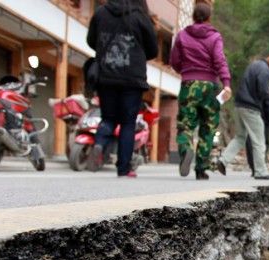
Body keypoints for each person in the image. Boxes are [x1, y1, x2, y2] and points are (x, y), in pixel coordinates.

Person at [86, 0, 157, 178]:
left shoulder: (101, 12)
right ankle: (123, 168)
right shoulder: (140, 16)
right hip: (132, 78)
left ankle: (100, 144)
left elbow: (91, 40)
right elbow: (153, 49)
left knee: (108, 118)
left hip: (106, 75)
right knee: (127, 123)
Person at [170, 2, 232, 180]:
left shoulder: (182, 35)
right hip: (210, 86)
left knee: (186, 124)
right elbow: (220, 60)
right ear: (209, 17)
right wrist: (226, 83)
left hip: (189, 84)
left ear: (193, 16)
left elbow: (174, 60)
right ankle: (201, 168)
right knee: (208, 126)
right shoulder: (215, 37)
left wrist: (186, 71)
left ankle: (186, 150)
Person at [216, 49, 269, 180]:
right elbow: (262, 90)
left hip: (239, 105)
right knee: (259, 141)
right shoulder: (265, 70)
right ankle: (261, 172)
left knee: (240, 137)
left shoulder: (254, 65)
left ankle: (223, 161)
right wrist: (268, 92)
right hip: (251, 108)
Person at [245, 96, 269, 176]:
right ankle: (259, 167)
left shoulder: (249, 88)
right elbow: (268, 107)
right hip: (262, 119)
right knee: (262, 144)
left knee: (250, 143)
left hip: (249, 115)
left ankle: (253, 167)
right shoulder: (264, 90)